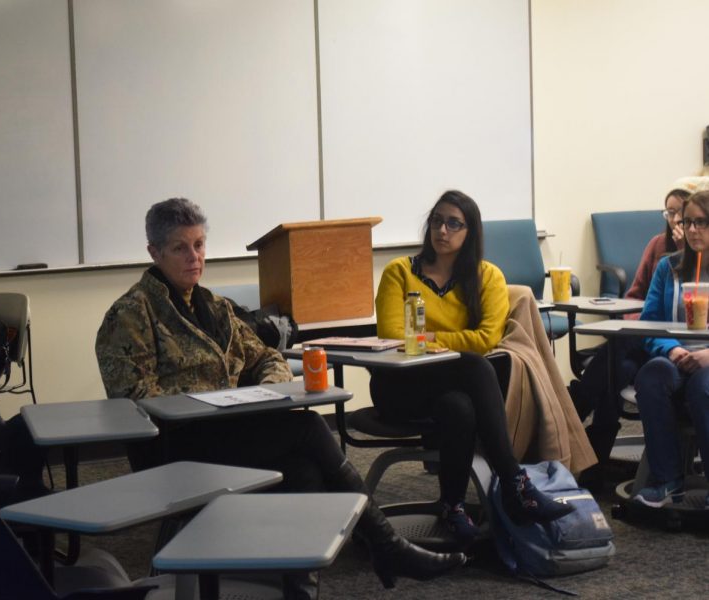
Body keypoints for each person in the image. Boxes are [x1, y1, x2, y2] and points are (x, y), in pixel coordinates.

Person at [95, 197, 465, 591]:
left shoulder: (216, 308)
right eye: (179, 248)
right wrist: (214, 397)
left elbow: (268, 357)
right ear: (154, 252)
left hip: (227, 432)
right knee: (306, 428)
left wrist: (265, 392)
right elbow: (132, 396)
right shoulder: (131, 315)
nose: (194, 257)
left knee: (305, 470)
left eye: (199, 245)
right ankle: (386, 544)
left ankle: (301, 588)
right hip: (173, 447)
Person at [371, 190, 575, 544]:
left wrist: (428, 337)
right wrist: (442, 339)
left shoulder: (487, 277)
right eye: (437, 221)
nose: (443, 230)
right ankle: (515, 484)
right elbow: (393, 336)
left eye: (453, 223)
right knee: (476, 368)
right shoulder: (399, 272)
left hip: (450, 387)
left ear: (470, 231)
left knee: (460, 405)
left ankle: (452, 508)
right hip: (400, 383)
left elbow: (485, 339)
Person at [571, 178, 704, 483]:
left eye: (679, 214)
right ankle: (596, 452)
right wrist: (637, 324)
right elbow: (635, 297)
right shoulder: (659, 249)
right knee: (622, 351)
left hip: (668, 346)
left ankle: (581, 418)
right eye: (669, 214)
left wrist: (689, 246)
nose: (674, 221)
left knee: (618, 362)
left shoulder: (692, 252)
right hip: (649, 334)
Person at [632, 190, 709, 509]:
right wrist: (673, 350)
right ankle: (666, 480)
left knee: (702, 387)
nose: (692, 230)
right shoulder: (669, 268)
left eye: (702, 222)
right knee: (652, 376)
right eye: (688, 222)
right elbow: (649, 323)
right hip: (676, 356)